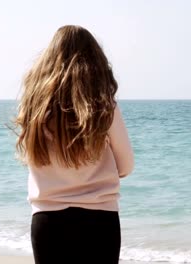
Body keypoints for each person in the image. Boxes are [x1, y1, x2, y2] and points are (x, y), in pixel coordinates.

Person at [15, 25, 134, 264]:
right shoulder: (104, 105)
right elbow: (126, 165)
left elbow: (32, 158)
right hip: (100, 220)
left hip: (47, 220)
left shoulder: (34, 108)